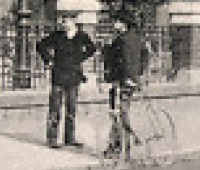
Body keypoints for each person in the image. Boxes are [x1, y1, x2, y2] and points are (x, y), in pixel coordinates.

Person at [35, 14, 96, 148]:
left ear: (74, 21)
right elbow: (40, 45)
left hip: (74, 76)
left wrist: (80, 58)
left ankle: (70, 138)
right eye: (62, 21)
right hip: (58, 75)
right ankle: (52, 138)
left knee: (71, 108)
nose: (64, 24)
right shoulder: (57, 36)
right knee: (55, 108)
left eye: (66, 21)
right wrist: (48, 60)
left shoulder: (81, 36)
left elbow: (92, 48)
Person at [101, 15, 149, 160]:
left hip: (123, 81)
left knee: (119, 112)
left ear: (124, 24)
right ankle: (120, 145)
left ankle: (122, 147)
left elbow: (124, 61)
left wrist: (128, 78)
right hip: (128, 80)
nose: (114, 23)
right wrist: (139, 74)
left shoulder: (123, 40)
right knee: (119, 112)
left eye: (117, 21)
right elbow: (145, 55)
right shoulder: (136, 38)